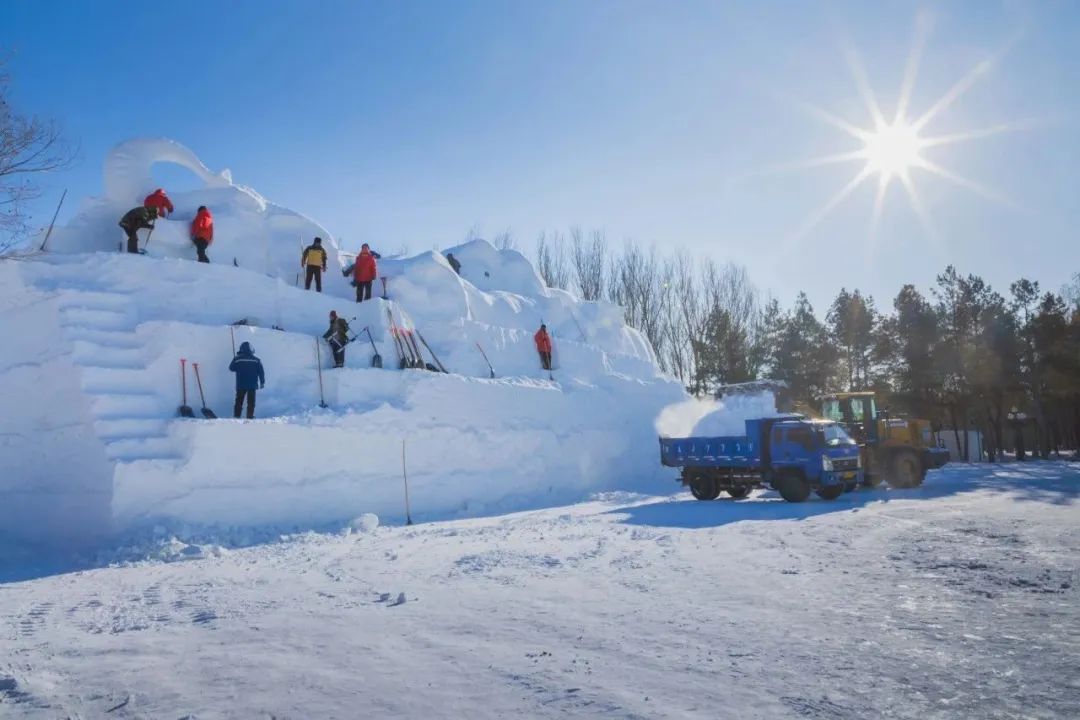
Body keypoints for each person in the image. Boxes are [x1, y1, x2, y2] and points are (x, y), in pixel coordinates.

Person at [229, 341, 265, 419]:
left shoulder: (237, 359)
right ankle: (250, 416)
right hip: (252, 385)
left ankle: (236, 416)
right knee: (251, 402)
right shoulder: (256, 360)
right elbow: (261, 372)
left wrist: (236, 360)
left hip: (240, 384)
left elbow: (231, 368)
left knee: (239, 401)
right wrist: (262, 382)